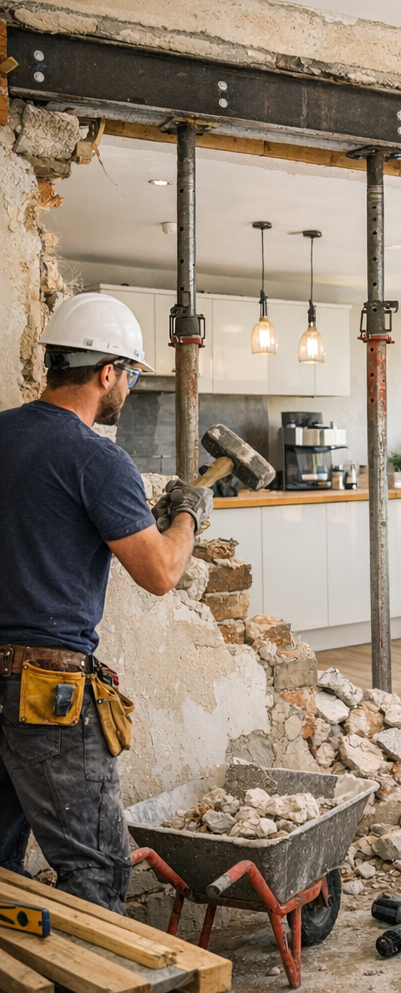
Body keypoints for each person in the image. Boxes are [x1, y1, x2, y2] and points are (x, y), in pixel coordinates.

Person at [0, 292, 213, 912]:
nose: (130, 388)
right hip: (47, 690)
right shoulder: (97, 457)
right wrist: (187, 514)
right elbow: (160, 572)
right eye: (133, 374)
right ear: (107, 372)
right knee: (96, 871)